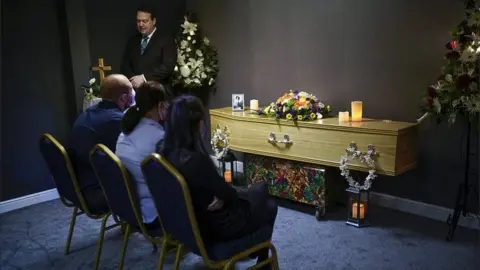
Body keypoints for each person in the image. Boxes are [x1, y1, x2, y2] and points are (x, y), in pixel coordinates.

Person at [160, 94, 278, 268]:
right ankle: (260, 257)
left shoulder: (161, 155)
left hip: (186, 227)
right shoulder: (195, 161)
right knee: (265, 197)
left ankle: (261, 257)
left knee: (256, 196)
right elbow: (228, 194)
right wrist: (223, 196)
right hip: (215, 228)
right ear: (198, 123)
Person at [67, 74, 134, 213]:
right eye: (132, 90)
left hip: (76, 185)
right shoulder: (116, 120)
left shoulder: (88, 112)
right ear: (123, 98)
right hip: (96, 191)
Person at [115, 81, 169, 229]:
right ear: (160, 106)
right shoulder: (159, 137)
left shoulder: (127, 128)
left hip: (130, 209)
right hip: (154, 213)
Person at [120, 5, 176, 95]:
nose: (141, 24)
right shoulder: (132, 41)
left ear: (153, 21)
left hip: (158, 93)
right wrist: (134, 80)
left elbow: (167, 66)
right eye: (138, 21)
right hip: (135, 93)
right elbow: (125, 65)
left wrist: (143, 78)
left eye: (145, 21)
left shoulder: (166, 39)